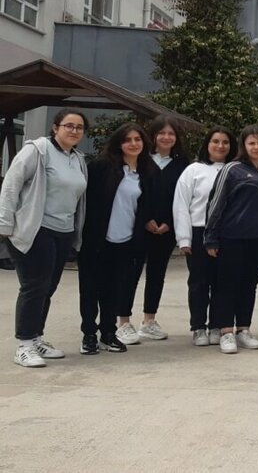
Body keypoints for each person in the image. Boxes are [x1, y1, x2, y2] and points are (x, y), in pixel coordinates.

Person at [1, 109, 88, 367]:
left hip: (63, 231)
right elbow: (11, 185)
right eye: (69, 125)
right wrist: (4, 224)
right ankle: (24, 345)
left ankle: (36, 337)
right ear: (55, 127)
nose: (74, 131)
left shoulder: (77, 159)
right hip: (36, 228)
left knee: (48, 287)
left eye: (79, 127)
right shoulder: (37, 150)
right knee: (35, 286)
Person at [79, 123, 155, 354]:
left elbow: (146, 206)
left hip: (126, 241)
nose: (133, 144)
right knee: (90, 289)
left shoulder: (146, 171)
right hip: (96, 240)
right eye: (127, 139)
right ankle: (89, 335)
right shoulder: (101, 166)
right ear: (119, 143)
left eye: (137, 139)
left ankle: (108, 333)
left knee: (114, 290)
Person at [205, 125, 258, 354]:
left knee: (249, 285)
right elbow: (215, 203)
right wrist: (210, 237)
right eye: (251, 143)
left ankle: (243, 329)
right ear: (243, 146)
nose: (256, 147)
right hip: (232, 238)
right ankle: (226, 331)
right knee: (228, 285)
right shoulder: (232, 169)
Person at [123, 115, 190, 343]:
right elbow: (136, 194)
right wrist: (146, 220)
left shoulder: (183, 165)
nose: (166, 137)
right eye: (162, 133)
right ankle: (123, 322)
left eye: (171, 133)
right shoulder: (141, 161)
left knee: (157, 274)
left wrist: (169, 223)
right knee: (130, 273)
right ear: (153, 135)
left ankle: (149, 321)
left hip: (167, 229)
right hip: (139, 227)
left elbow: (183, 198)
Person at [173, 127, 236, 346]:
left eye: (225, 142)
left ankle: (217, 325)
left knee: (221, 282)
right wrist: (184, 238)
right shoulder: (193, 170)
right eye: (215, 141)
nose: (220, 146)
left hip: (226, 234)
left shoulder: (234, 170)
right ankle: (198, 327)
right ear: (207, 144)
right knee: (199, 282)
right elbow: (181, 204)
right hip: (198, 230)